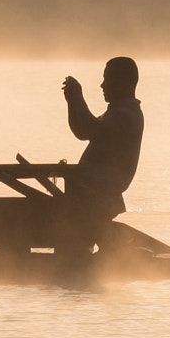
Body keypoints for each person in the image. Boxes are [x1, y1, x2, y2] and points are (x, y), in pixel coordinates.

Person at [61, 57, 144, 254]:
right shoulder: (116, 111)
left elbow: (91, 129)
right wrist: (72, 102)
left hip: (101, 196)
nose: (102, 85)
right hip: (91, 197)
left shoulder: (127, 114)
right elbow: (82, 131)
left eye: (107, 79)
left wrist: (78, 98)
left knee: (83, 244)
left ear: (123, 81)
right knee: (79, 242)